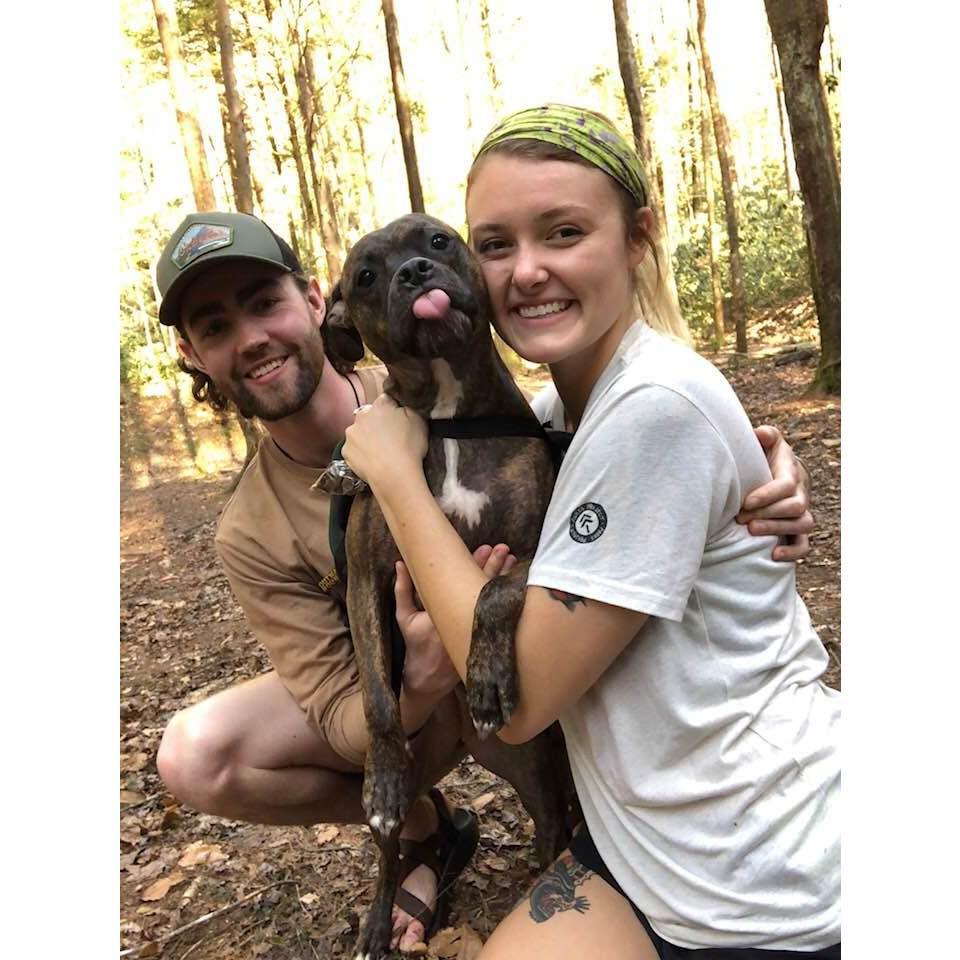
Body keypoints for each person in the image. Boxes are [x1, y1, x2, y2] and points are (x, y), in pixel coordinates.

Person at [150, 207, 814, 954]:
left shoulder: (464, 392)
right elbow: (334, 704)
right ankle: (427, 832)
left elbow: (624, 435)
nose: (251, 339)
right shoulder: (247, 528)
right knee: (192, 752)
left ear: (314, 305)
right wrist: (425, 680)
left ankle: (570, 841)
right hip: (408, 706)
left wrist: (757, 465)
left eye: (264, 303)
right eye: (214, 328)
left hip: (521, 676)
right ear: (193, 356)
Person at [341, 104, 839, 958]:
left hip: (763, 875)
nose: (528, 271)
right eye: (496, 245)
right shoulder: (551, 416)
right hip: (639, 852)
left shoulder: (654, 408)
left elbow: (523, 701)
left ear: (637, 236)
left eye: (563, 232)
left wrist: (391, 474)